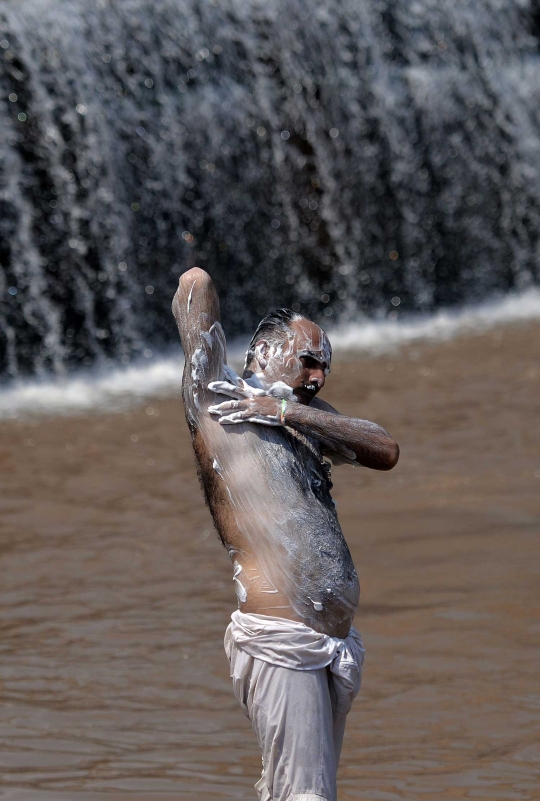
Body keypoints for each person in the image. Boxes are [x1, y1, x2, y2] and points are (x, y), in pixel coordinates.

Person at [172, 267, 399, 801]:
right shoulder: (217, 399)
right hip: (281, 638)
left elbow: (384, 450)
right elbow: (196, 282)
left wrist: (287, 408)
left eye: (326, 367)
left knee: (299, 791)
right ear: (267, 350)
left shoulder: (301, 414)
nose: (319, 376)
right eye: (309, 360)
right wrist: (259, 393)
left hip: (331, 640)